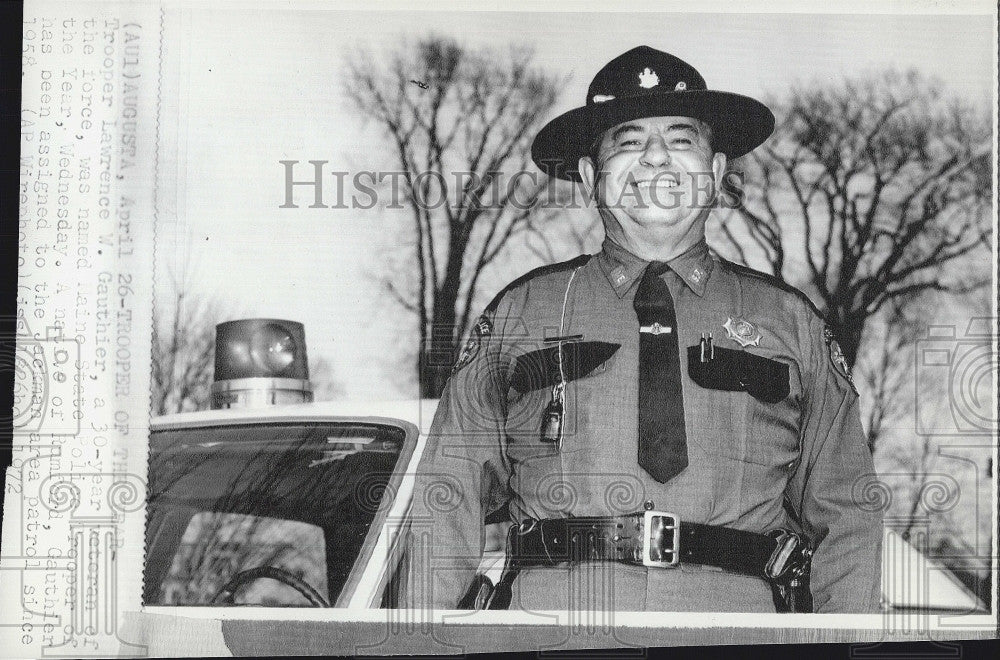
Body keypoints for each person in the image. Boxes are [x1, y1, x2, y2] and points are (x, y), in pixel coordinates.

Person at [401, 46, 882, 613]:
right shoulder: (518, 315)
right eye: (628, 142)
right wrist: (417, 640)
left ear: (718, 173)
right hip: (554, 628)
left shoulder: (791, 324)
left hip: (740, 634)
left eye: (681, 140)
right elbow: (446, 498)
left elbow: (847, 512)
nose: (657, 159)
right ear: (589, 176)